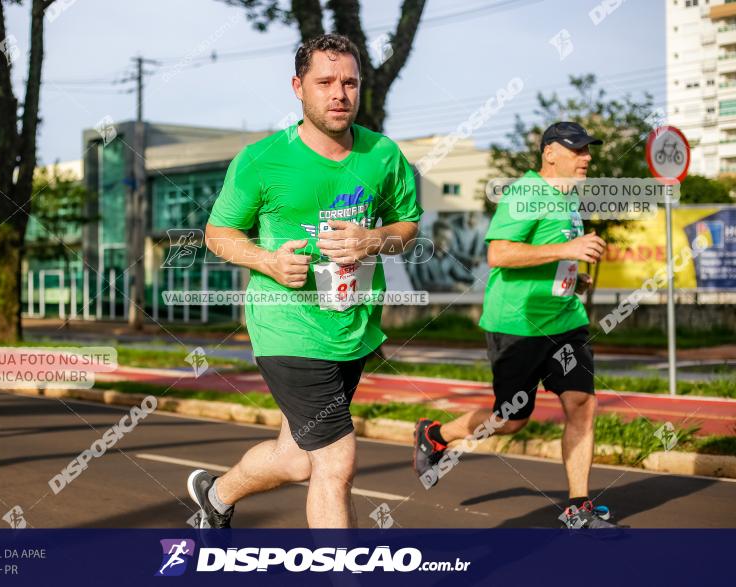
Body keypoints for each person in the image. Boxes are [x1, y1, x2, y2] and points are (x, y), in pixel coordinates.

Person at [188, 33, 421, 528]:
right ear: (298, 87)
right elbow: (217, 233)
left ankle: (216, 496)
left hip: (350, 327)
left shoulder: (383, 155)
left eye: (350, 83)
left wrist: (372, 240)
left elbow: (407, 227)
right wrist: (267, 261)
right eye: (325, 82)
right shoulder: (263, 159)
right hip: (285, 325)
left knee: (296, 458)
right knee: (336, 462)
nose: (339, 93)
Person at [412, 122, 619, 529]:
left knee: (582, 404)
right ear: (550, 154)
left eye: (587, 150)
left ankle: (579, 506)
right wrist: (568, 247)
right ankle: (435, 434)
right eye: (577, 150)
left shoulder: (567, 199)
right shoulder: (526, 193)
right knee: (511, 419)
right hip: (517, 324)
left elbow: (547, 255)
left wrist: (574, 275)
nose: (586, 157)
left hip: (564, 320)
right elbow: (501, 254)